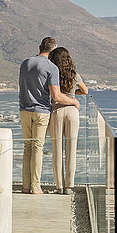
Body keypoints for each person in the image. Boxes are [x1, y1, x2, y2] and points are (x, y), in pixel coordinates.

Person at [19, 37, 81, 194]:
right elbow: (57, 96)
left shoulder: (25, 63)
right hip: (41, 112)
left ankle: (26, 187)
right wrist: (73, 101)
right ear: (54, 51)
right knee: (38, 148)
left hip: (24, 110)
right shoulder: (52, 68)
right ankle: (35, 187)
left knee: (28, 148)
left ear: (39, 46)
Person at [48, 47, 88, 194]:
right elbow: (85, 91)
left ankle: (59, 186)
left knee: (57, 149)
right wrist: (72, 95)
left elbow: (52, 93)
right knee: (71, 148)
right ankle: (69, 186)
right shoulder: (74, 74)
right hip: (72, 110)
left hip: (57, 110)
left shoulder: (52, 74)